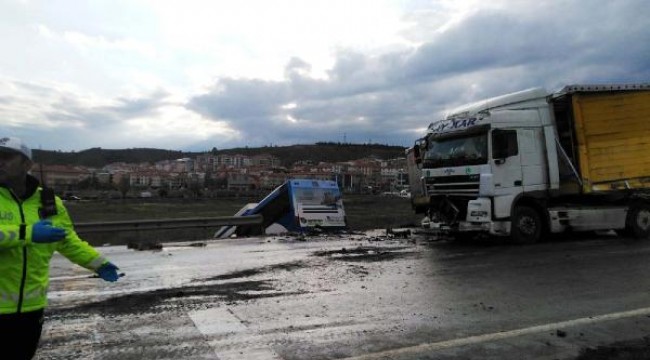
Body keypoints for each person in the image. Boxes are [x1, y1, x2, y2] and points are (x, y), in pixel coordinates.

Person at [0, 137, 121, 359]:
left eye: (6, 157)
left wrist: (98, 263)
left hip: (30, 308)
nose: (0, 162)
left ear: (27, 164)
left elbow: (67, 240)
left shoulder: (47, 201)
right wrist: (28, 233)